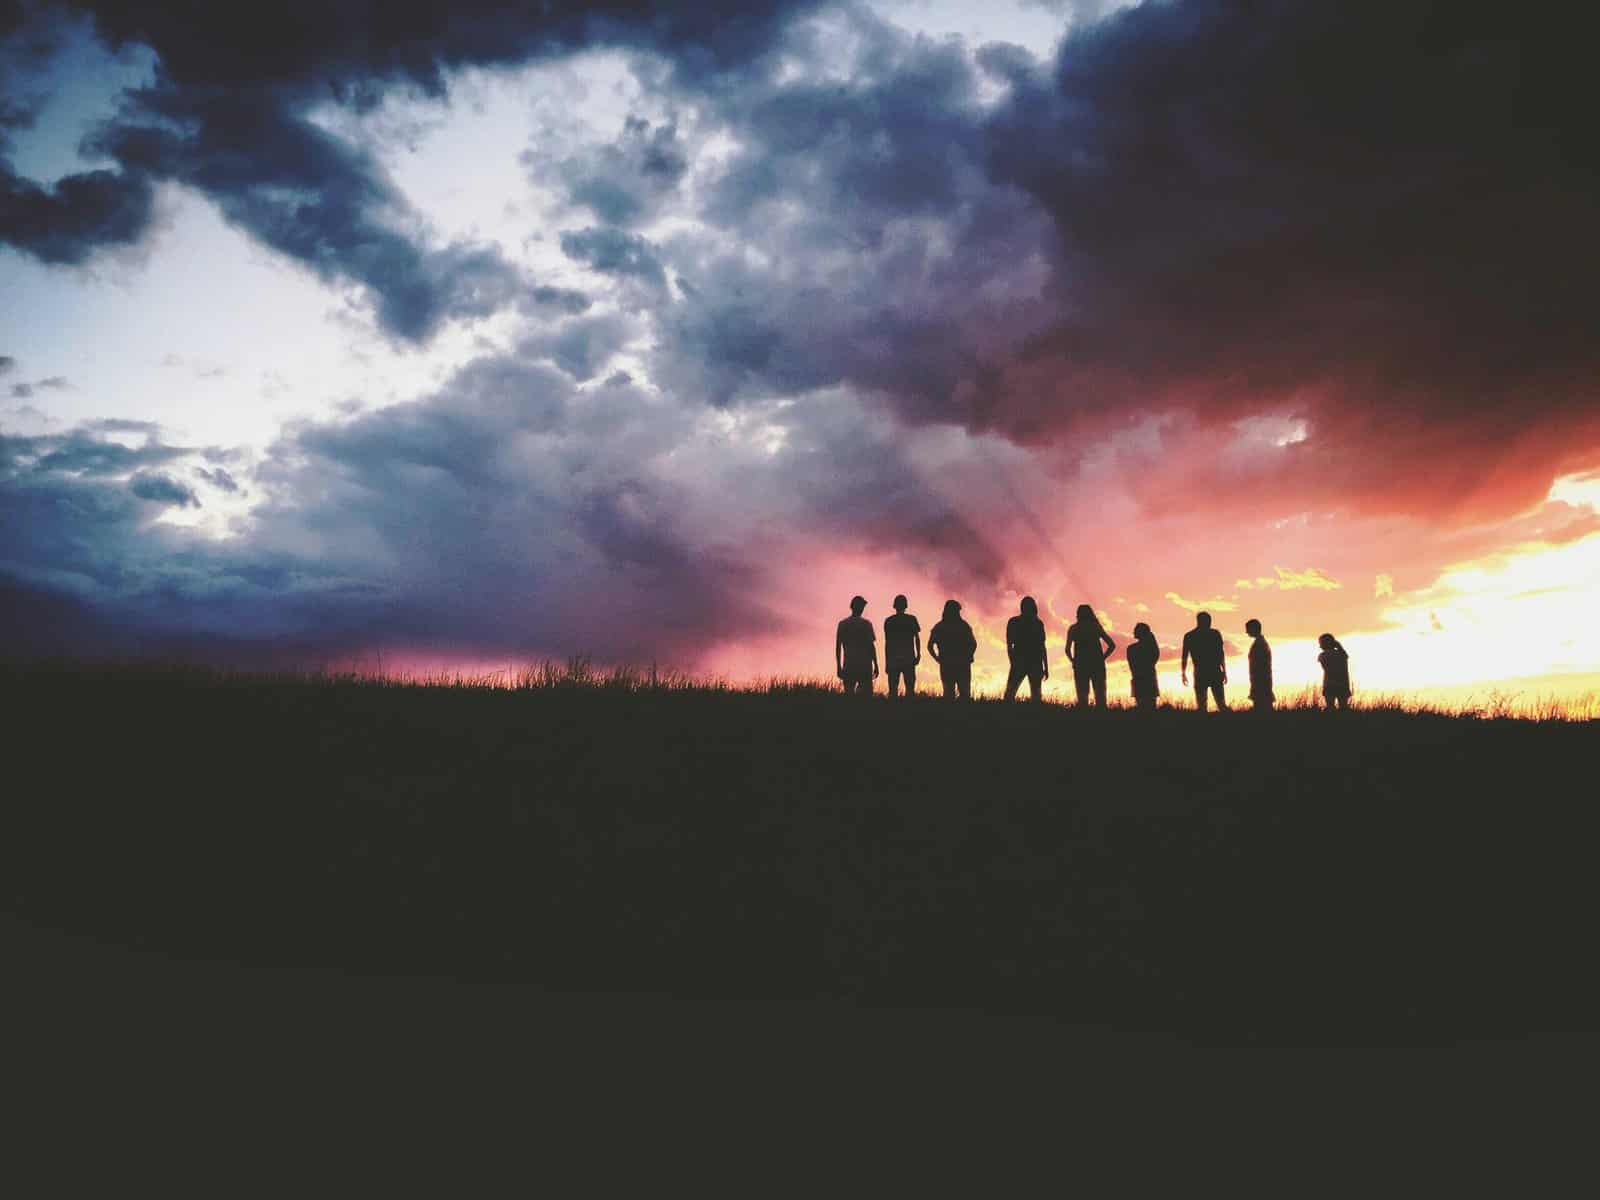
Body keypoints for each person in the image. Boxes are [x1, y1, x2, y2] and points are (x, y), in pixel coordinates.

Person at [1065, 603, 1116, 707]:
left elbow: (1067, 649)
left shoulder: (1074, 628)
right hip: (1097, 664)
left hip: (1080, 665)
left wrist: (1073, 660)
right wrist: (1102, 658)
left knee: (1082, 698)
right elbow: (1112, 645)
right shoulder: (1095, 627)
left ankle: (1084, 720)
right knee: (1101, 697)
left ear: (1078, 614)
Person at [927, 599, 977, 700]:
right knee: (963, 694)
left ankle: (950, 714)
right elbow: (973, 644)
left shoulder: (940, 627)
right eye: (957, 611)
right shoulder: (963, 626)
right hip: (961, 664)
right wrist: (969, 656)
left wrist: (937, 658)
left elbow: (930, 646)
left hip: (948, 663)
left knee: (949, 694)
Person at [1181, 611, 1229, 712]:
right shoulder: (1214, 634)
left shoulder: (1190, 636)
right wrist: (1224, 671)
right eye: (1208, 621)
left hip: (1203, 672)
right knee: (1219, 703)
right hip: (1211, 671)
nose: (1209, 623)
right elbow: (1220, 653)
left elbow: (1184, 656)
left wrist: (1183, 673)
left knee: (1204, 705)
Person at [1004, 596, 1048, 701]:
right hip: (1032, 662)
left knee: (1010, 694)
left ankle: (1006, 713)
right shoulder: (1037, 623)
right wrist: (1046, 667)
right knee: (1035, 696)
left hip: (1023, 661)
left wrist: (1012, 661)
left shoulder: (1014, 622)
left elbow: (1009, 645)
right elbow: (1042, 647)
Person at [835, 595, 878, 695]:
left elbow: (838, 647)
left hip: (849, 665)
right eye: (862, 606)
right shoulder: (867, 624)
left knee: (849, 697)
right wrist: (876, 664)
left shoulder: (843, 624)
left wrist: (838, 666)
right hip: (864, 666)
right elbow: (871, 647)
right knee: (866, 699)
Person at [883, 594, 922, 698]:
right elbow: (917, 638)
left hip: (893, 659)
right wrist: (918, 655)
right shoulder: (912, 619)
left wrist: (887, 662)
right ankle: (909, 711)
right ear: (906, 606)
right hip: (908, 658)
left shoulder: (889, 621)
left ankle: (894, 712)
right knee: (910, 690)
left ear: (894, 606)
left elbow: (887, 643)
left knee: (893, 691)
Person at [1127, 622, 1160, 711]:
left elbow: (1131, 666)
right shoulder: (1150, 647)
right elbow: (1155, 657)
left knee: (1141, 705)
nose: (1133, 632)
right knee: (1151, 705)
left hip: (1138, 677)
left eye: (1135, 630)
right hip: (1149, 676)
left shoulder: (1131, 648)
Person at [1246, 618, 1274, 712]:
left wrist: (1257, 677)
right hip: (1260, 678)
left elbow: (1260, 664)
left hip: (1261, 679)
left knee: (1262, 705)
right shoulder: (1260, 642)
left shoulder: (1260, 644)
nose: (1246, 632)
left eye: (1248, 629)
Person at [1318, 633, 1352, 710]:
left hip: (1329, 684)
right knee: (1344, 708)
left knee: (1330, 708)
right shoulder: (1342, 654)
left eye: (1321, 643)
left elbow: (1325, 667)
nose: (1320, 646)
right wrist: (1339, 646)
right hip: (1343, 684)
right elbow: (1345, 656)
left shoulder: (1322, 655)